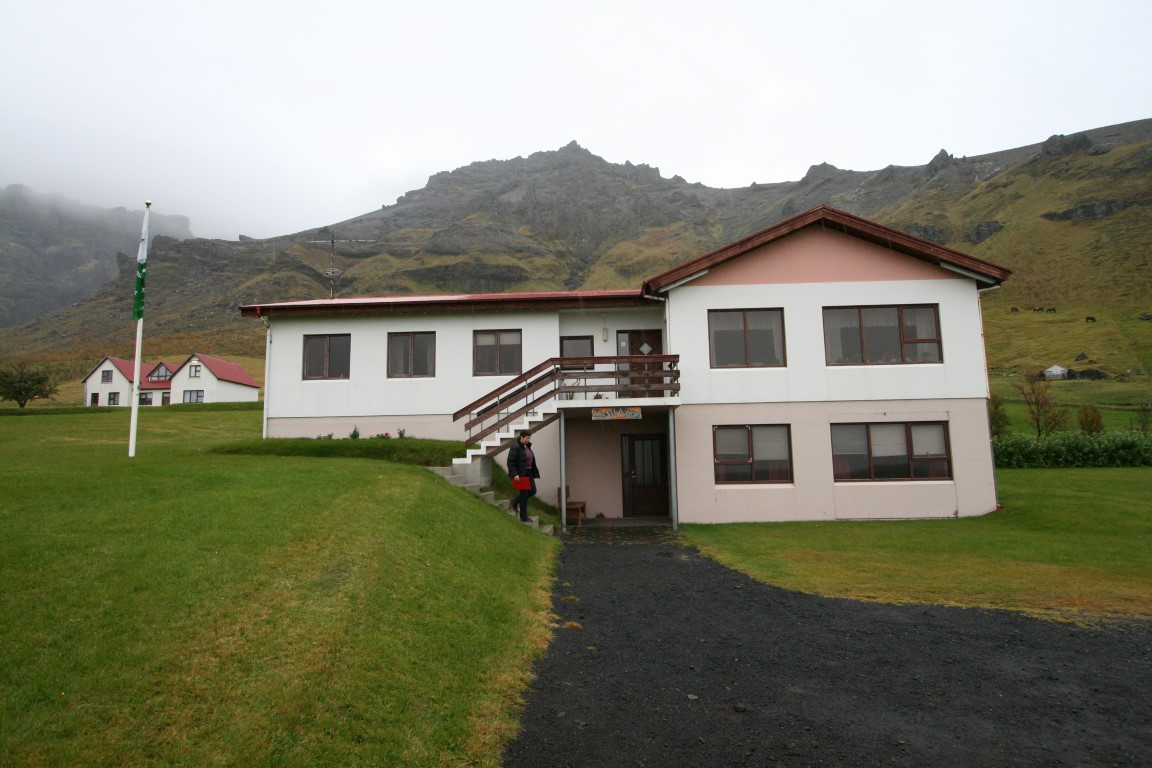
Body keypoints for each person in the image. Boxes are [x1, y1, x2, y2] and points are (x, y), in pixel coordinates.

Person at [507, 429, 539, 522]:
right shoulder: (515, 447)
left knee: (533, 491)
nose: (528, 440)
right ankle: (523, 517)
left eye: (529, 438)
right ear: (521, 437)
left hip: (529, 473)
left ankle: (515, 501)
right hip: (521, 474)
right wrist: (515, 474)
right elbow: (510, 462)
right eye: (527, 438)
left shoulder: (526, 446)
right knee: (524, 495)